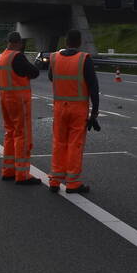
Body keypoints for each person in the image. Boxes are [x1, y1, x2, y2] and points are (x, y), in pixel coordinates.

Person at [47, 29, 100, 194]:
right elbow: (93, 87)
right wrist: (94, 113)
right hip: (77, 109)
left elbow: (51, 77)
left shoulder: (54, 58)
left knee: (59, 143)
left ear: (66, 42)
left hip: (59, 108)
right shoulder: (84, 59)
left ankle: (54, 181)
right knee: (74, 145)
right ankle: (72, 183)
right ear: (80, 42)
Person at [0, 32, 41, 185]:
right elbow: (34, 72)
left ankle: (8, 170)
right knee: (22, 134)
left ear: (8, 42)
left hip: (4, 98)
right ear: (19, 43)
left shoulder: (2, 56)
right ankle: (22, 174)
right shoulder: (17, 56)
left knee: (10, 133)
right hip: (18, 99)